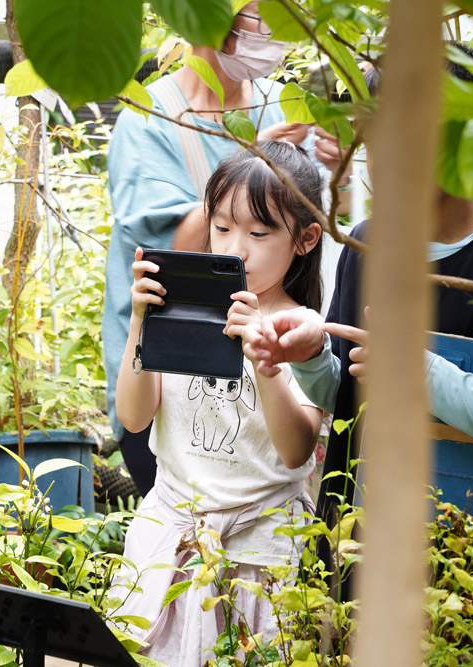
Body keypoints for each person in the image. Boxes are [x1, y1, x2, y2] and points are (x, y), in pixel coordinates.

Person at [242, 46, 473, 538]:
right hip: (349, 552)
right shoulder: (367, 245)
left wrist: (424, 374)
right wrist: (311, 358)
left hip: (456, 574)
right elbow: (348, 394)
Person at [103, 1, 346, 495]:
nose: (239, 249)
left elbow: (321, 222)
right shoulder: (150, 120)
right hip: (175, 373)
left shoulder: (287, 103)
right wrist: (251, 164)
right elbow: (170, 259)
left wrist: (342, 163)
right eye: (257, 18)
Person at [111, 141, 325, 665]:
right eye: (223, 228)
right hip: (168, 541)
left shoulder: (304, 331)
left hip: (259, 550)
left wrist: (266, 360)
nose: (236, 249)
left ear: (305, 239)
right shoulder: (180, 309)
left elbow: (297, 451)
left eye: (258, 232)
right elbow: (134, 418)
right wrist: (141, 319)